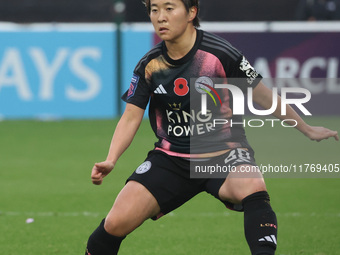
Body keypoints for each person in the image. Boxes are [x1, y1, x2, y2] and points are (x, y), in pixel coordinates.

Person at [84, 0, 339, 254]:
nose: (160, 17)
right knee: (115, 224)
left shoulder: (221, 53)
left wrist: (306, 128)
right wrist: (111, 159)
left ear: (191, 13)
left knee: (252, 185)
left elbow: (263, 96)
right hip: (171, 159)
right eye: (154, 10)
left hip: (224, 154)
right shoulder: (149, 65)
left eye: (169, 8)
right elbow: (131, 116)